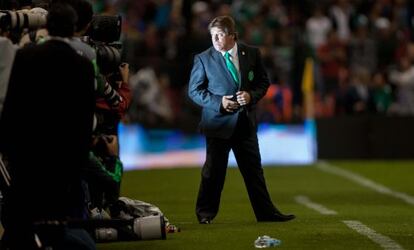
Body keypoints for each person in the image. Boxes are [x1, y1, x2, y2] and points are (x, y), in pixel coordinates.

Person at [0, 3, 96, 249]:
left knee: (23, 217)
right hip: (64, 155)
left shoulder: (26, 55)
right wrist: (80, 155)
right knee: (58, 220)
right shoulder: (83, 64)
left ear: (46, 26)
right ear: (73, 28)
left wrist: (10, 147)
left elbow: (13, 106)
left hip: (28, 152)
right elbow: (84, 117)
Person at [188, 15, 295, 224]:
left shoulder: (252, 53)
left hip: (245, 123)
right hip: (217, 124)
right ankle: (205, 214)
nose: (216, 40)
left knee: (254, 172)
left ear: (232, 36)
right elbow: (194, 91)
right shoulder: (203, 58)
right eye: (213, 35)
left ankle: (266, 214)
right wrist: (219, 102)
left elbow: (263, 82)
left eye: (220, 35)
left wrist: (250, 96)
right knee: (213, 172)